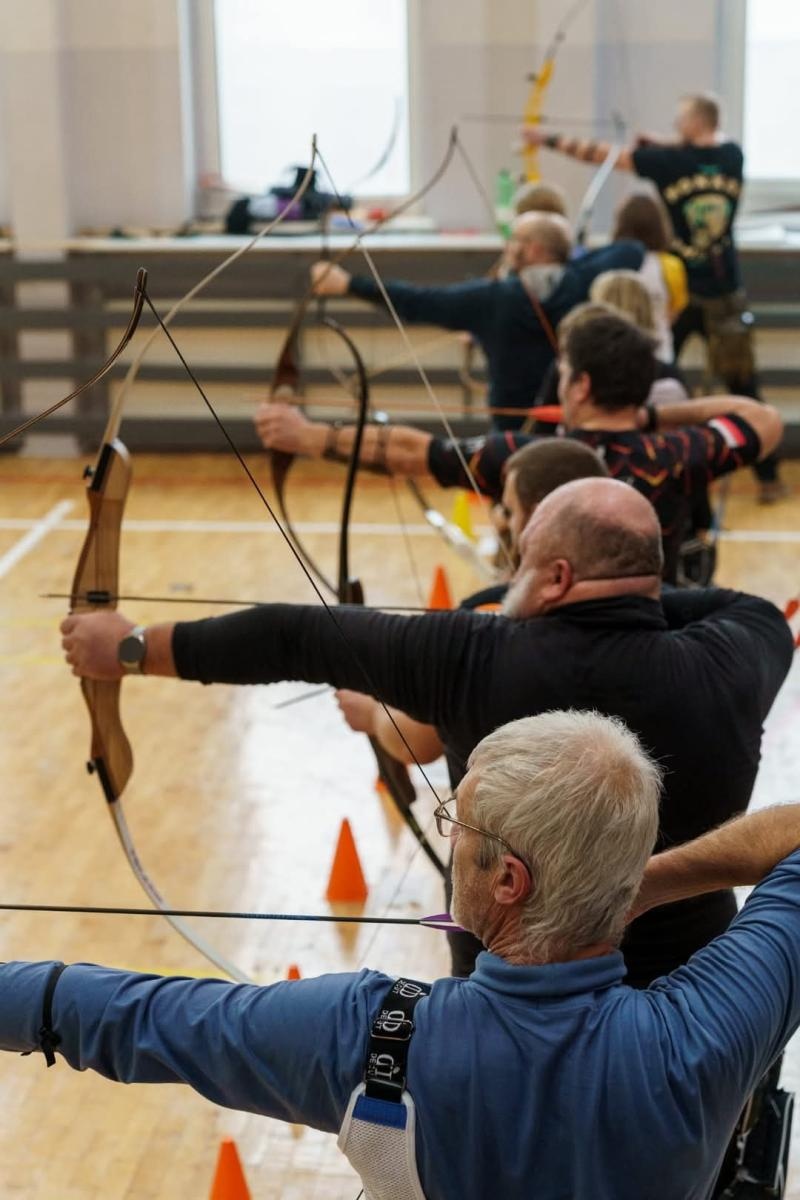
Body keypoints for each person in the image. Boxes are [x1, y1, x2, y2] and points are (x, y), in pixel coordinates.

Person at [6, 711, 800, 1199]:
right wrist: (639, 881)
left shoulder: (370, 1035)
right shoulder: (712, 1027)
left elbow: (125, 1017)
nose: (448, 834)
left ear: (510, 880)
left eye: (460, 821)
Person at [61, 478, 794, 987]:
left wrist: (131, 649)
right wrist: (619, 582)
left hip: (506, 992)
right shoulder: (744, 647)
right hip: (694, 987)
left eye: (522, 559)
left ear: (560, 575)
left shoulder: (471, 656)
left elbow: (292, 636)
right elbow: (720, 602)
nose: (511, 571)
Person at [255, 312, 783, 584]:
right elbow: (760, 418)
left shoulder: (528, 460)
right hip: (652, 631)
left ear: (579, 387)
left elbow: (413, 453)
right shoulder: (674, 456)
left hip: (544, 639)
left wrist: (311, 437)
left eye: (568, 375)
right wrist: (650, 416)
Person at [522, 91, 786, 502]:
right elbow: (703, 148)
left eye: (682, 118)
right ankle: (768, 478)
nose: (676, 125)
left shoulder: (668, 164)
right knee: (738, 386)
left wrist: (546, 140)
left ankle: (671, 467)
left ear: (696, 121)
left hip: (699, 292)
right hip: (723, 288)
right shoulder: (733, 155)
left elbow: (601, 154)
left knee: (655, 377)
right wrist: (664, 142)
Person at [335, 437, 611, 773]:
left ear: (540, 517)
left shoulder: (490, 616)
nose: (498, 519)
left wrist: (373, 713)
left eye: (508, 510)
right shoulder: (653, 604)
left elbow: (418, 740)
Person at [308, 211, 644, 430]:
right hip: (574, 420)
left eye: (514, 241)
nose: (507, 247)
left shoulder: (493, 298)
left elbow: (419, 301)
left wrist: (348, 284)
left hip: (516, 428)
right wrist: (571, 259)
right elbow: (630, 249)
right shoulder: (581, 280)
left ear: (534, 249)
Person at [611, 191, 688, 362]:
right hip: (660, 351)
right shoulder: (671, 265)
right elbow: (674, 310)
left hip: (619, 352)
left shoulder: (612, 264)